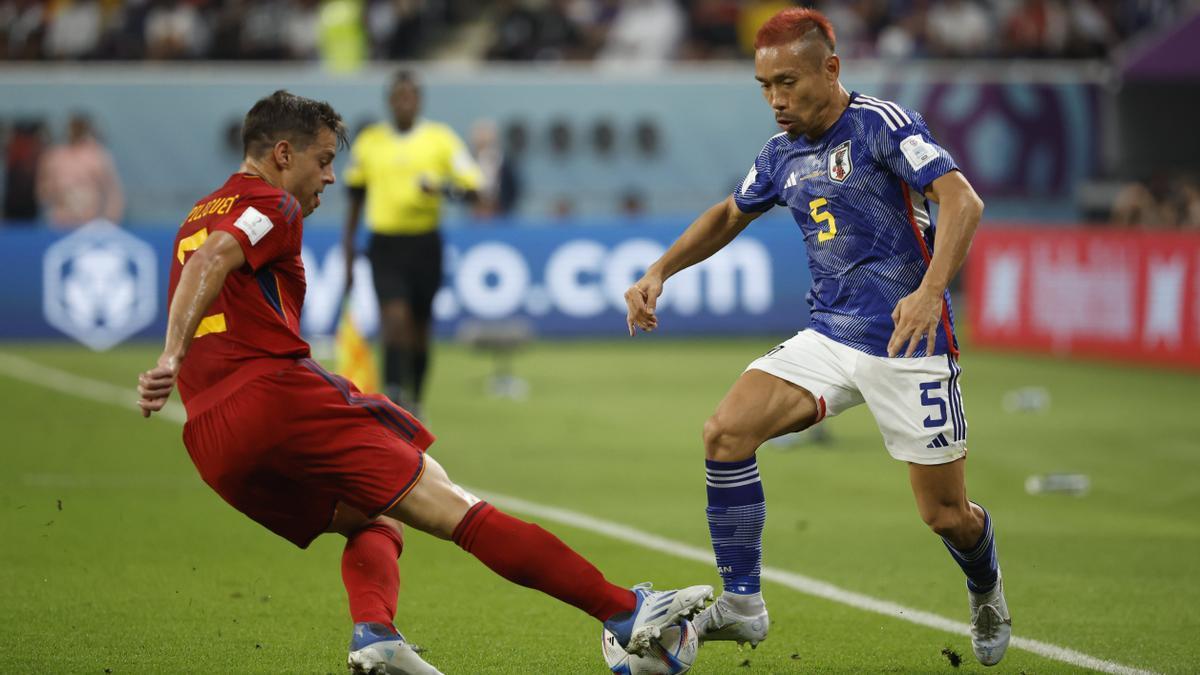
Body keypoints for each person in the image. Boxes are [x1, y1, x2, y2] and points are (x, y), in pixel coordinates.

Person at [137, 90, 711, 675]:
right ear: (283, 154)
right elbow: (213, 262)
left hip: (211, 440)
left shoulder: (201, 210)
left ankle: (376, 637)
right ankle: (624, 611)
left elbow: (206, 262)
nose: (331, 177)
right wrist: (169, 357)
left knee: (371, 516)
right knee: (450, 503)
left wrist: (175, 365)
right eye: (324, 160)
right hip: (274, 399)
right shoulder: (271, 205)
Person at [623, 8, 1010, 668]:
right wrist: (660, 268)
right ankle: (742, 603)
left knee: (946, 516)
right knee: (725, 432)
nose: (776, 99)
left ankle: (985, 586)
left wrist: (928, 291)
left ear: (830, 69)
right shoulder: (782, 153)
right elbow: (728, 214)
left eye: (788, 82)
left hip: (907, 345)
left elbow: (962, 200)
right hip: (828, 336)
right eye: (765, 85)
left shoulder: (880, 125)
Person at [342, 70, 481, 418]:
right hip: (385, 245)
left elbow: (474, 188)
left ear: (419, 101)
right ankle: (393, 399)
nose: (405, 102)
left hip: (425, 244)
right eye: (399, 96)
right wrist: (347, 250)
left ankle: (416, 398)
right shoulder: (370, 141)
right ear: (390, 101)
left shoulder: (440, 139)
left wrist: (441, 188)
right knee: (394, 319)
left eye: (411, 96)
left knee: (419, 327)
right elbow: (355, 198)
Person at [36, 113, 124, 227]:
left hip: (90, 222)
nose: (75, 131)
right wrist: (57, 193)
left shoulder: (97, 156)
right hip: (61, 221)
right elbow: (43, 191)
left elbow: (113, 192)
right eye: (73, 128)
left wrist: (110, 221)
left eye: (79, 128)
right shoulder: (55, 156)